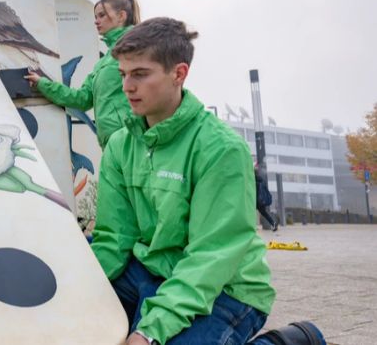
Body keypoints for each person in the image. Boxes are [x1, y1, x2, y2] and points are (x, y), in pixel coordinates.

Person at [91, 17, 324, 344]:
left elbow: (211, 256)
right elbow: (113, 238)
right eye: (123, 75)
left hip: (224, 285)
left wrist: (147, 331)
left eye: (140, 74)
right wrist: (71, 295)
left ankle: (290, 340)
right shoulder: (120, 144)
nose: (127, 86)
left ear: (179, 73)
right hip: (150, 269)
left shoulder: (221, 150)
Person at [26, 0, 140, 149]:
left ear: (121, 16)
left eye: (102, 15)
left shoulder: (137, 50)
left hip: (131, 141)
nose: (96, 21)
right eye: (95, 16)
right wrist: (42, 83)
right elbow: (82, 99)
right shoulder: (104, 62)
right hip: (109, 144)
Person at [255, 165, 279, 231]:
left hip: (256, 201)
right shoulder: (262, 181)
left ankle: (252, 227)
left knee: (250, 212)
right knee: (264, 213)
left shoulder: (254, 181)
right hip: (261, 201)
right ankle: (273, 223)